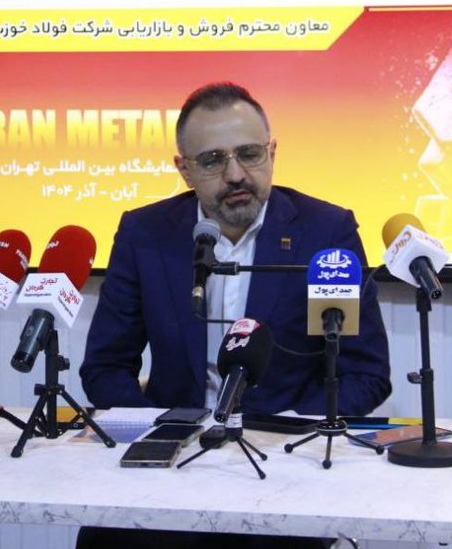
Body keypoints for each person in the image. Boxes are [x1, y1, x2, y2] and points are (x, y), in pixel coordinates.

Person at [80, 80, 391, 416]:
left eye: (249, 154)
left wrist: (291, 430)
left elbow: (365, 375)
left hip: (287, 440)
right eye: (212, 161)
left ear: (271, 154)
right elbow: (105, 369)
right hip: (175, 438)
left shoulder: (326, 232)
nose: (235, 174)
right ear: (185, 170)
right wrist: (156, 427)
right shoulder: (146, 234)